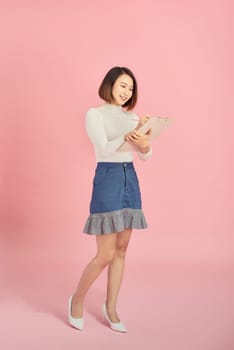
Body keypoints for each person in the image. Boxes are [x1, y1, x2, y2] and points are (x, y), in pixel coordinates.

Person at [68, 66, 153, 332]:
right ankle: (77, 300)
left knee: (121, 250)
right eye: (123, 85)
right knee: (104, 254)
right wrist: (128, 135)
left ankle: (111, 307)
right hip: (108, 177)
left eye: (131, 88)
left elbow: (145, 156)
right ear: (110, 84)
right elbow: (103, 148)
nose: (127, 92)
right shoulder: (94, 114)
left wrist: (145, 143)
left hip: (130, 179)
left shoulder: (133, 117)